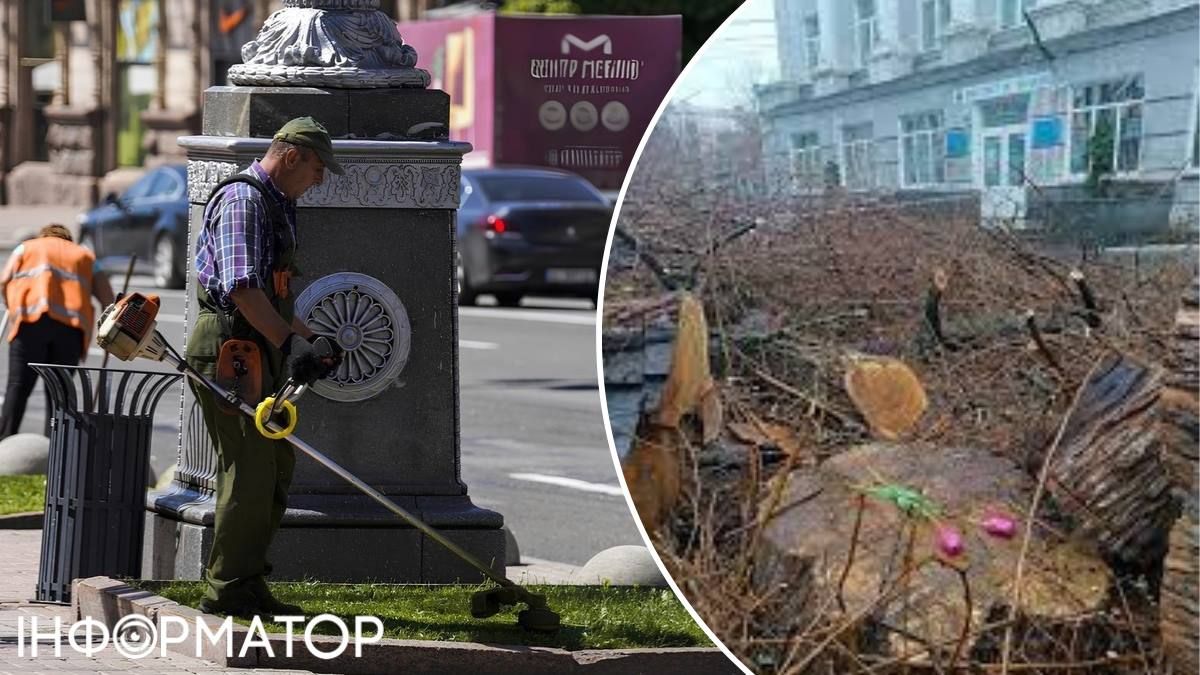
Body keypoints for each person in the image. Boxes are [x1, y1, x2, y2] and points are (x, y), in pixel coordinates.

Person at [190, 116, 344, 617]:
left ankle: (248, 581)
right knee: (249, 470)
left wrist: (308, 338)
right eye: (318, 167)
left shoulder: (275, 203)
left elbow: (271, 296)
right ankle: (227, 590)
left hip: (257, 343)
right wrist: (288, 342)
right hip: (233, 349)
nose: (320, 178)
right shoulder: (245, 200)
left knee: (274, 468)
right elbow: (241, 289)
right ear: (292, 156)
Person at [0, 224, 115, 439]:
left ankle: (5, 442)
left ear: (43, 235)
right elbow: (107, 299)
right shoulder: (85, 255)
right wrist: (110, 332)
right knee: (59, 394)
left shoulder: (26, 248)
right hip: (70, 331)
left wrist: (12, 305)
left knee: (18, 386)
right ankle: (55, 447)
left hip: (30, 324)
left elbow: (5, 280)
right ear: (68, 239)